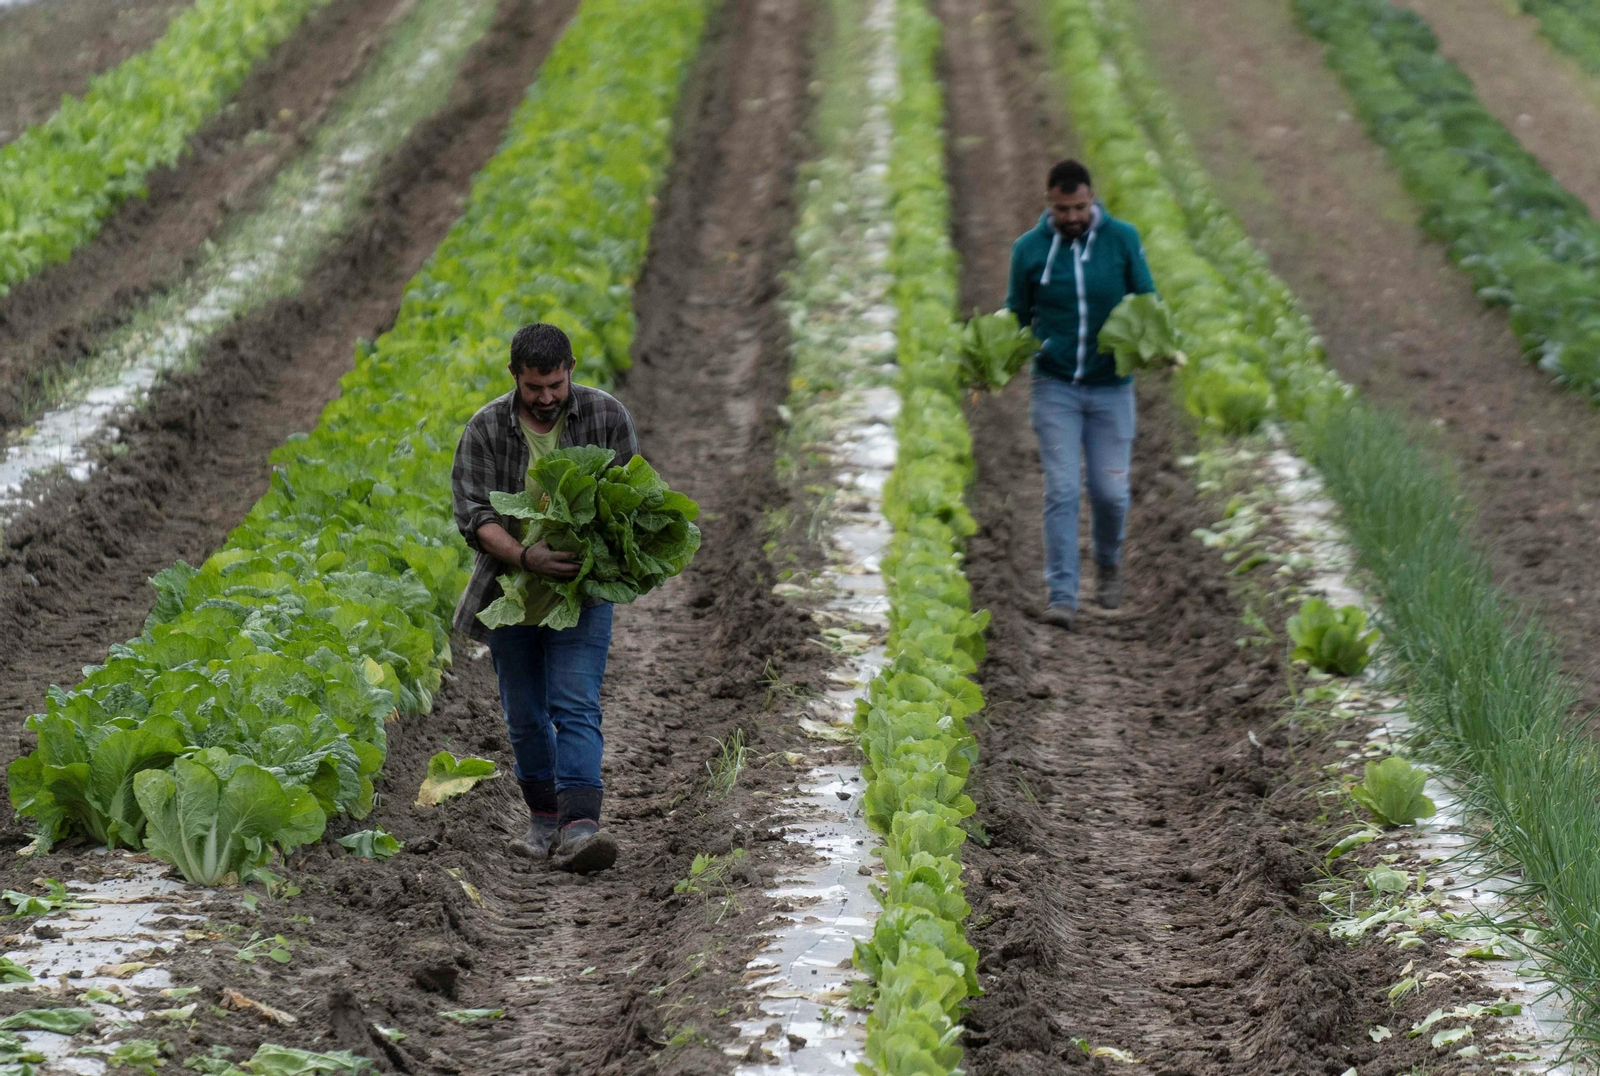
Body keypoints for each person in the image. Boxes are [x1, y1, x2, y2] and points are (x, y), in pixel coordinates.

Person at [450, 322, 639, 873]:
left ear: (571, 370)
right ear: (515, 377)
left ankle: (582, 827)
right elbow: (475, 515)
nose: (547, 397)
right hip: (511, 591)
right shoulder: (485, 428)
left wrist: (597, 553)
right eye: (534, 387)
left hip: (580, 592)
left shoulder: (606, 417)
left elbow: (630, 503)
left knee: (574, 701)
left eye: (555, 384)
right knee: (526, 715)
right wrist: (527, 556)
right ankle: (543, 821)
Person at [1006, 159, 1155, 630]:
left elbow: (1146, 301)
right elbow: (1016, 314)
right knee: (1064, 489)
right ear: (1048, 203)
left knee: (1111, 492)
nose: (1071, 217)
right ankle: (1063, 594)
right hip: (1055, 387)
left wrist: (1159, 347)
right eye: (1061, 208)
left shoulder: (1122, 240)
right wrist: (992, 357)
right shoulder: (1028, 251)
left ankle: (1108, 566)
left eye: (1079, 206)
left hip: (1112, 388)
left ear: (1093, 198)